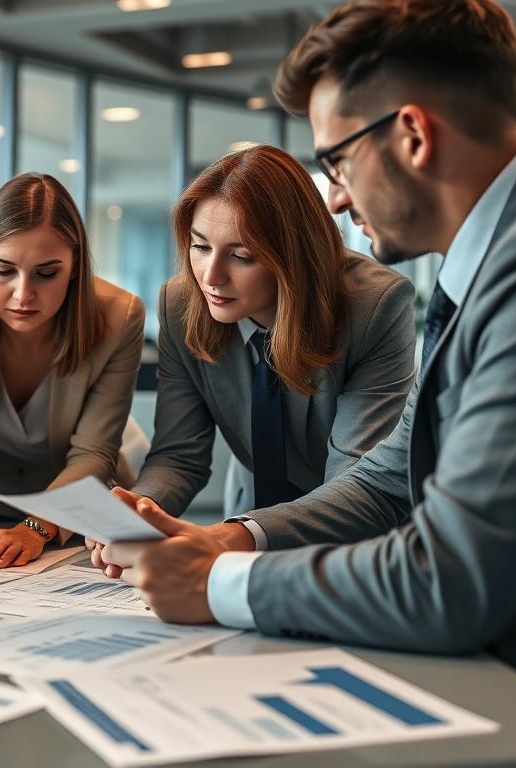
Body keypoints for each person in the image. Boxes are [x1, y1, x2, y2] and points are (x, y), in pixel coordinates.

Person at [98, 0, 516, 691]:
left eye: (337, 161)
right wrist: (226, 538)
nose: (337, 200)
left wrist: (221, 583)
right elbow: (384, 482)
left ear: (412, 135)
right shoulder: (495, 258)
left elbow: (449, 578)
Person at [100, 145, 414, 538]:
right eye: (200, 247)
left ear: (293, 256)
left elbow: (355, 480)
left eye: (242, 256)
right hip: (251, 519)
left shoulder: (374, 307)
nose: (211, 276)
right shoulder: (180, 303)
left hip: (358, 535)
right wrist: (139, 511)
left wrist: (237, 537)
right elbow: (179, 456)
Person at [0, 172, 144, 569]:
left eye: (46, 273)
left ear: (75, 266)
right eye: (4, 270)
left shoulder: (120, 316)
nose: (23, 294)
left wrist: (35, 529)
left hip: (78, 516)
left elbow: (93, 452)